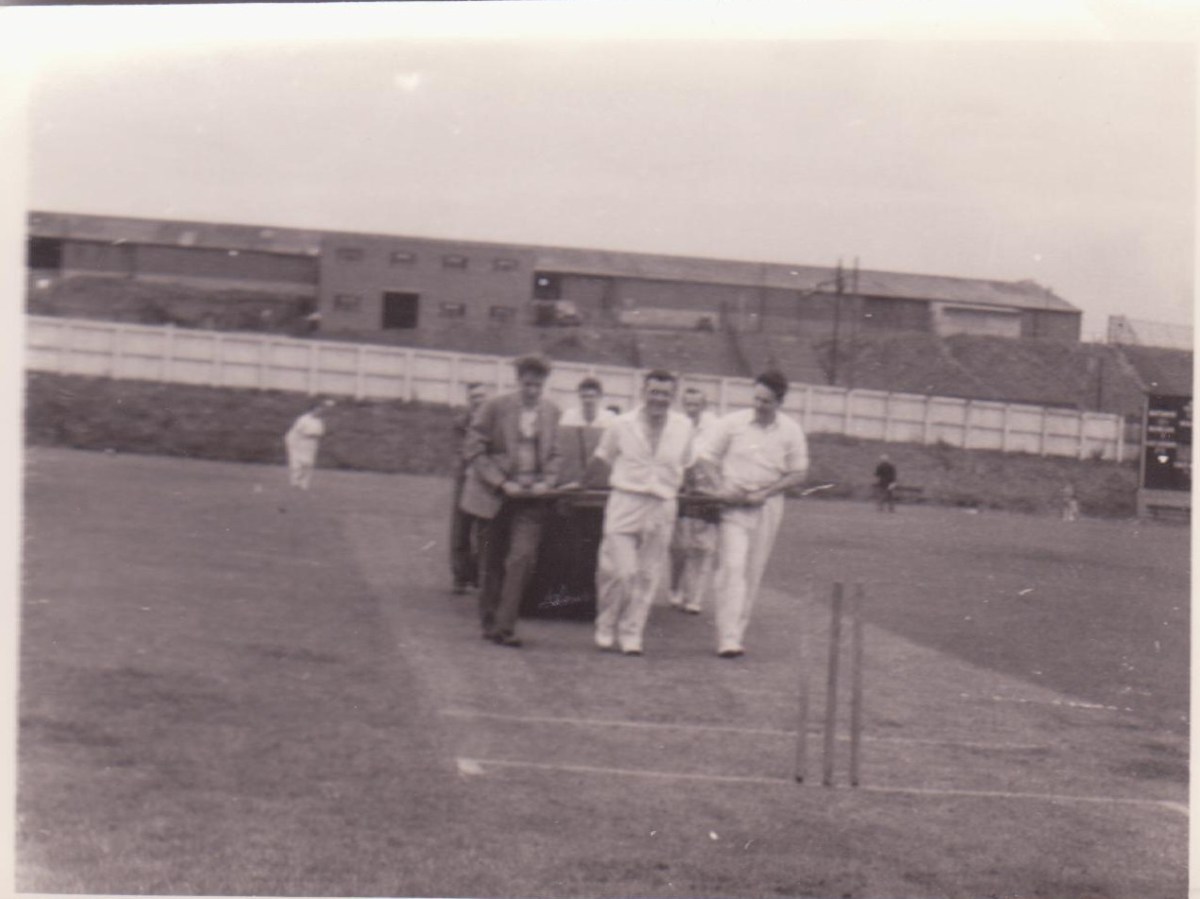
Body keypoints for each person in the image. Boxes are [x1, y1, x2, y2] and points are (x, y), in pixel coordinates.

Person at [698, 371, 809, 658]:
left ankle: (737, 633)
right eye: (756, 399)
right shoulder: (732, 423)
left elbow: (799, 473)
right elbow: (706, 457)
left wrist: (767, 492)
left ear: (780, 401)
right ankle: (728, 637)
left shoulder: (791, 430)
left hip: (767, 505)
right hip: (733, 503)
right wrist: (722, 487)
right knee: (732, 567)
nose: (759, 405)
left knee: (752, 570)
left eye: (767, 401)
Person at [588, 370, 694, 655]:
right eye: (654, 392)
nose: (659, 399)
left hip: (661, 505)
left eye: (665, 394)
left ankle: (632, 633)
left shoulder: (683, 426)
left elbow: (687, 463)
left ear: (673, 397)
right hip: (625, 501)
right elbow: (603, 458)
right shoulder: (621, 424)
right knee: (621, 572)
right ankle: (606, 625)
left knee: (648, 575)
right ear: (643, 393)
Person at [460, 355, 562, 648]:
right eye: (528, 384)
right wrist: (502, 482)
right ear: (518, 381)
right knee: (490, 561)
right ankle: (490, 622)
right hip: (494, 496)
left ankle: (506, 627)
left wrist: (547, 482)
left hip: (531, 499)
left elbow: (556, 454)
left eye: (538, 385)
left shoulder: (552, 411)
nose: (532, 390)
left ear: (544, 384)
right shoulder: (495, 407)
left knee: (522, 559)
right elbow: (474, 448)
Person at [669, 387, 721, 614]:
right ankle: (675, 587)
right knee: (680, 544)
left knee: (704, 546)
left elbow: (711, 457)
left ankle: (695, 598)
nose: (691, 409)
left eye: (696, 405)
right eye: (687, 404)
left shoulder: (714, 427)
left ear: (704, 406)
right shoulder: (677, 425)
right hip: (681, 489)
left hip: (706, 490)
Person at [450, 382, 490, 594]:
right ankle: (460, 575)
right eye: (474, 397)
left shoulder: (493, 422)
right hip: (466, 476)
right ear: (469, 401)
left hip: (485, 479)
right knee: (461, 527)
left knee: (485, 528)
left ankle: (481, 574)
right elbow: (461, 450)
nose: (478, 401)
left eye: (482, 397)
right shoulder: (461, 423)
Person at [283, 399, 334, 490]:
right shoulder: (303, 419)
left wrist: (315, 436)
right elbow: (298, 431)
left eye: (320, 410)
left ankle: (304, 484)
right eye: (317, 409)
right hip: (299, 442)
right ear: (312, 410)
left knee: (308, 463)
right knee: (297, 463)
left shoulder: (319, 421)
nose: (319, 411)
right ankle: (295, 482)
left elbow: (321, 433)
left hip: (312, 443)